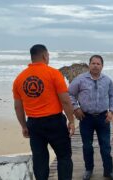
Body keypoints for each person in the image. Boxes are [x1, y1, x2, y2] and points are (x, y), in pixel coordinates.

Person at [13, 44, 75, 180]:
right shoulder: (54, 74)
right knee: (64, 156)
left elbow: (18, 107)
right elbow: (65, 101)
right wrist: (71, 121)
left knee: (40, 159)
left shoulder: (19, 78)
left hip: (34, 124)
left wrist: (24, 126)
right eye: (48, 56)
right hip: (55, 122)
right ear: (44, 56)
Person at [68, 55, 113, 180]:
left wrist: (111, 111)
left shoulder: (107, 80)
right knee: (87, 146)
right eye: (93, 63)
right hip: (86, 118)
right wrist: (76, 108)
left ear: (102, 66)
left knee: (105, 146)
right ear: (89, 64)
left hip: (103, 118)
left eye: (98, 64)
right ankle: (89, 169)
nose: (95, 65)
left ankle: (108, 171)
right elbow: (69, 94)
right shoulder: (80, 80)